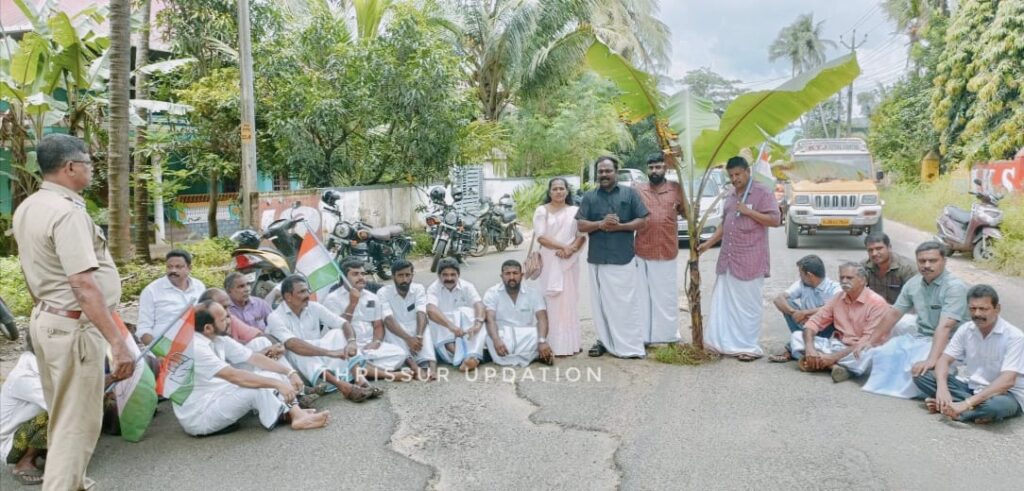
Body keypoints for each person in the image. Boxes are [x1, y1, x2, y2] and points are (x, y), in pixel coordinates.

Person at [12, 133, 134, 491]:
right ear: (70, 167)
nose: (92, 170)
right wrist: (118, 341)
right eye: (89, 163)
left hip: (48, 320)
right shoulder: (67, 213)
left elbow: (29, 271)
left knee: (63, 414)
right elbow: (82, 284)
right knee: (76, 424)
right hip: (74, 329)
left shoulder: (30, 206)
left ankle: (74, 483)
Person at [172, 300, 329, 436]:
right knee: (258, 387)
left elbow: (254, 358)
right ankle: (296, 416)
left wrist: (290, 372)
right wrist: (279, 384)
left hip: (218, 395)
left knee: (268, 375)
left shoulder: (218, 339)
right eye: (224, 318)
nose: (229, 320)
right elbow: (235, 376)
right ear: (207, 328)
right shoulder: (195, 347)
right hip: (200, 415)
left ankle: (296, 414)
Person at [854, 241, 968, 398]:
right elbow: (894, 313)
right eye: (922, 261)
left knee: (917, 367)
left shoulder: (955, 287)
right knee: (886, 351)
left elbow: (946, 327)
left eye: (932, 260)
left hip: (951, 341)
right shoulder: (914, 283)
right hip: (923, 335)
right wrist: (870, 340)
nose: (926, 265)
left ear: (944, 261)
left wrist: (931, 360)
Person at [699, 156, 781, 361]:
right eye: (731, 175)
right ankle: (721, 344)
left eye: (738, 174)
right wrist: (706, 245)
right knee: (723, 303)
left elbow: (775, 220)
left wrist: (749, 212)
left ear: (747, 172)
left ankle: (747, 347)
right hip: (728, 258)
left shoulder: (762, 192)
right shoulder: (730, 194)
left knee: (748, 305)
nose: (735, 179)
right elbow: (724, 224)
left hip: (751, 259)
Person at [913, 285, 1023, 424]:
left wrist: (966, 404)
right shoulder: (966, 329)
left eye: (983, 309)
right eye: (972, 308)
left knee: (995, 406)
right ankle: (961, 408)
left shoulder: (1015, 336)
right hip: (972, 388)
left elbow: (1007, 381)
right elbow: (944, 360)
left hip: (1005, 394)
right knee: (922, 375)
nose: (977, 314)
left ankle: (959, 411)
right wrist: (942, 389)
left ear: (997, 309)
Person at [576, 156, 650, 358]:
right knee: (600, 305)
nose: (604, 175)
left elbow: (642, 221)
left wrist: (620, 227)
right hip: (598, 258)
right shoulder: (590, 197)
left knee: (626, 304)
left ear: (616, 172)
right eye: (601, 171)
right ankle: (604, 342)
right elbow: (581, 225)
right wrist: (600, 224)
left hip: (623, 257)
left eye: (608, 171)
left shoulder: (630, 194)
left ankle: (631, 345)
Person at [266, 275, 380, 402]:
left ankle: (360, 380)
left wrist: (352, 342)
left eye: (308, 290)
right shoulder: (275, 317)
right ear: (288, 297)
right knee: (295, 349)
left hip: (318, 357)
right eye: (302, 291)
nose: (308, 294)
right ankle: (344, 387)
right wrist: (330, 352)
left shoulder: (313, 307)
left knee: (337, 333)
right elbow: (292, 344)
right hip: (298, 370)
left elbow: (343, 323)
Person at [789, 262, 891, 382]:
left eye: (849, 278)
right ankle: (835, 367)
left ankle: (823, 363)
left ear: (863, 280)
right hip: (839, 346)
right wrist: (810, 348)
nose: (844, 281)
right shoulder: (838, 298)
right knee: (797, 336)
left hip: (862, 348)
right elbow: (813, 323)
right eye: (842, 277)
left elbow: (867, 341)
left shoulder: (876, 303)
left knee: (867, 355)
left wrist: (833, 357)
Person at [322, 258, 413, 380]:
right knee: (348, 356)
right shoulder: (332, 299)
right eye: (355, 274)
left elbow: (378, 325)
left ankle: (361, 369)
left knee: (400, 354)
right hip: (348, 346)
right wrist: (352, 304)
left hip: (369, 346)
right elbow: (337, 328)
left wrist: (376, 342)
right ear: (344, 277)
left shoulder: (372, 297)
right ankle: (386, 374)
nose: (361, 277)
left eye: (363, 274)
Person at [633, 152, 686, 345]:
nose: (654, 171)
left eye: (658, 167)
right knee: (643, 297)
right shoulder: (638, 190)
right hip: (643, 250)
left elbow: (687, 214)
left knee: (666, 296)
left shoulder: (676, 188)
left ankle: (667, 335)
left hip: (667, 251)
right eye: (651, 167)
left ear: (665, 168)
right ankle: (645, 336)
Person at [533, 177, 586, 356]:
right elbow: (541, 237)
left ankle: (570, 345)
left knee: (569, 301)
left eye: (561, 188)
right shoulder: (542, 211)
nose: (558, 192)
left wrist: (571, 250)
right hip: (549, 260)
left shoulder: (575, 211)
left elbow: (581, 235)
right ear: (549, 192)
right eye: (555, 189)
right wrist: (564, 247)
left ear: (567, 191)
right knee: (552, 302)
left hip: (570, 261)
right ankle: (551, 344)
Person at [769, 255, 841, 362]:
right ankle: (801, 346)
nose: (800, 276)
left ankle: (793, 348)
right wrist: (794, 313)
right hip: (804, 326)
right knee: (787, 303)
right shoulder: (802, 284)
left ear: (809, 275)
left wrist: (806, 313)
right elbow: (778, 299)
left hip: (824, 330)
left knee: (835, 311)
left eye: (801, 274)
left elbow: (836, 307)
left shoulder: (834, 288)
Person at [483, 260, 553, 367]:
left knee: (538, 335)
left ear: (521, 275)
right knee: (487, 335)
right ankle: (533, 356)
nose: (511, 277)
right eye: (507, 274)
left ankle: (499, 355)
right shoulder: (492, 293)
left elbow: (542, 318)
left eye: (515, 273)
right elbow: (489, 319)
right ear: (501, 276)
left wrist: (542, 341)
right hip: (502, 336)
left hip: (526, 336)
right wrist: (496, 340)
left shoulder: (533, 293)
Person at [377, 259, 437, 380]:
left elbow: (421, 312)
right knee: (390, 328)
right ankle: (415, 367)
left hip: (416, 328)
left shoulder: (418, 288)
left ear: (412, 275)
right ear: (393, 276)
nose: (404, 279)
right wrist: (409, 339)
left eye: (407, 275)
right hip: (397, 330)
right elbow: (388, 319)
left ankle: (432, 367)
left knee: (425, 327)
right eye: (400, 275)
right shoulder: (383, 293)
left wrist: (419, 336)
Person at [426, 258, 487, 371]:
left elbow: (479, 304)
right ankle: (465, 358)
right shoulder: (433, 289)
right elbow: (431, 309)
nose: (449, 278)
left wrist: (477, 324)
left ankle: (470, 358)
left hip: (465, 329)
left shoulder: (467, 286)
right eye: (445, 275)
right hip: (446, 330)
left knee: (472, 314)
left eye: (453, 275)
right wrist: (451, 326)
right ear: (439, 276)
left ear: (458, 275)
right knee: (435, 318)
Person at [136, 249, 206, 345]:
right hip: (164, 348)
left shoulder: (199, 286)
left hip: (198, 344)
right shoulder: (151, 291)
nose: (173, 270)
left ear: (189, 268)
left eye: (178, 267)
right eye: (169, 267)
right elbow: (144, 328)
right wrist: (159, 352)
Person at [198, 288, 286, 360]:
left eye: (228, 307)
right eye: (223, 308)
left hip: (241, 366)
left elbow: (258, 335)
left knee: (262, 342)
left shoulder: (230, 318)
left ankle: (291, 378)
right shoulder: (199, 339)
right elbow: (231, 370)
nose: (228, 312)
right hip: (229, 374)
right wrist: (267, 354)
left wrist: (277, 346)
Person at [1, 352, 48, 485]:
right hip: (10, 446)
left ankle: (46, 453)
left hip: (22, 433)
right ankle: (24, 463)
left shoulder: (38, 365)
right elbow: (60, 404)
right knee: (59, 413)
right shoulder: (24, 377)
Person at [863, 233, 917, 304]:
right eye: (870, 250)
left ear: (889, 247)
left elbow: (915, 298)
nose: (874, 253)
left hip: (902, 310)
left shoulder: (907, 268)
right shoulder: (864, 267)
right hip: (875, 310)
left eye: (879, 249)